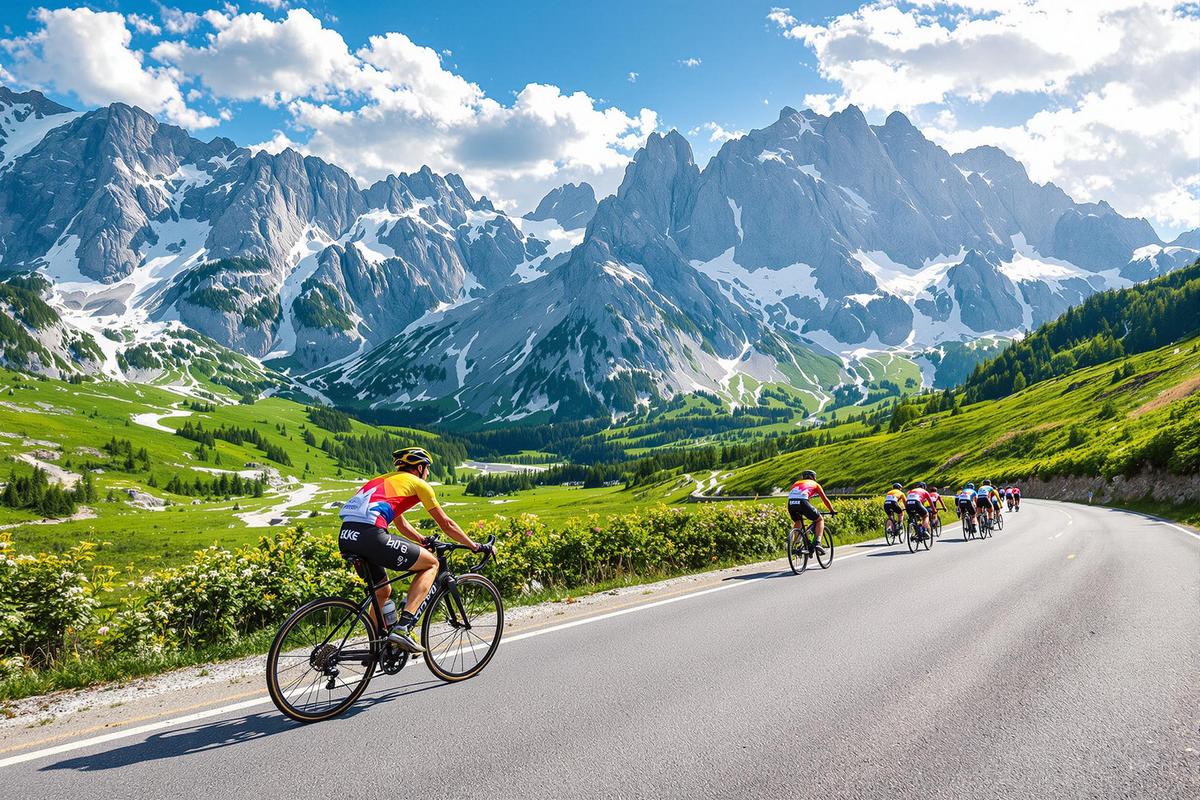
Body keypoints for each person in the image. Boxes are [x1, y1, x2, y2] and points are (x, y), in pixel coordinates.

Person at [337, 447, 489, 653]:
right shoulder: (418, 484)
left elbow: (400, 524)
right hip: (370, 535)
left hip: (347, 536)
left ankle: (374, 647)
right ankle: (403, 628)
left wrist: (421, 540)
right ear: (419, 467)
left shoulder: (382, 481)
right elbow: (446, 524)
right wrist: (475, 546)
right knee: (431, 564)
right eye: (427, 469)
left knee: (383, 591)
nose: (427, 474)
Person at [788, 470, 835, 551]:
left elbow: (800, 496)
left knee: (798, 521)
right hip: (802, 502)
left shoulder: (796, 483)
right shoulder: (815, 484)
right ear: (814, 477)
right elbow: (825, 499)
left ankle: (797, 542)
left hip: (791, 503)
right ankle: (818, 543)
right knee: (819, 519)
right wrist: (831, 510)